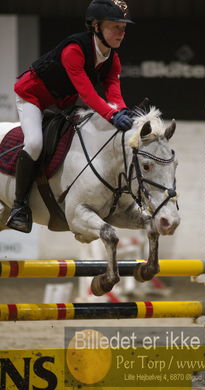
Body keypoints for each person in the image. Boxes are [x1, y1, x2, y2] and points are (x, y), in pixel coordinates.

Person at [6, 0, 134, 234]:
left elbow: (113, 88)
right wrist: (112, 115)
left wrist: (123, 110)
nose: (121, 33)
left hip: (61, 104)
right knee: (34, 143)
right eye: (115, 26)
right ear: (96, 26)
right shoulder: (74, 50)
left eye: (123, 28)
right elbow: (87, 92)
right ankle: (19, 206)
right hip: (32, 97)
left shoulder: (112, 59)